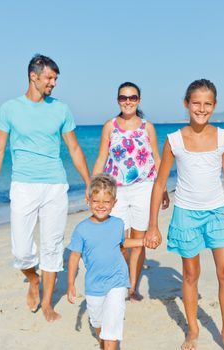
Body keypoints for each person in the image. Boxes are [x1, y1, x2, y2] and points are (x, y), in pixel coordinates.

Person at [0, 54, 90, 322]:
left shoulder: (61, 109)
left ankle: (47, 303)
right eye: (49, 78)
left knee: (52, 246)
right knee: (21, 250)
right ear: (34, 76)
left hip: (55, 184)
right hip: (23, 185)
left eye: (55, 79)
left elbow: (74, 148)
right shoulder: (9, 108)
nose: (53, 83)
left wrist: (89, 182)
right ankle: (33, 279)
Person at [145, 79, 224, 350]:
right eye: (196, 103)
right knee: (190, 274)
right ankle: (192, 330)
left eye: (207, 104)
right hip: (186, 214)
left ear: (214, 106)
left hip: (217, 213)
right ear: (186, 104)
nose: (201, 109)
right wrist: (152, 225)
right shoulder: (174, 140)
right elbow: (159, 183)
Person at [92, 82, 169, 301]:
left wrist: (162, 189)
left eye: (132, 97)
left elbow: (157, 158)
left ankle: (131, 288)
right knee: (117, 240)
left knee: (139, 239)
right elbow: (101, 158)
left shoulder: (147, 127)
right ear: (118, 100)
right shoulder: (110, 126)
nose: (128, 102)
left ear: (139, 100)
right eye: (124, 98)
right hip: (115, 190)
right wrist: (93, 187)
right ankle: (119, 281)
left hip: (144, 188)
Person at [66, 173, 144, 350]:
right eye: (96, 201)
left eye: (106, 202)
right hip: (94, 285)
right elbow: (74, 257)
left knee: (111, 328)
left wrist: (143, 241)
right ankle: (103, 338)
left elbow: (123, 243)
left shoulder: (117, 223)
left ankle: (109, 343)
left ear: (114, 203)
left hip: (117, 281)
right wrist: (70, 283)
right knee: (98, 323)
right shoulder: (81, 229)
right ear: (89, 201)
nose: (101, 206)